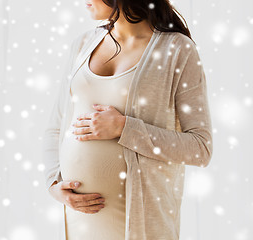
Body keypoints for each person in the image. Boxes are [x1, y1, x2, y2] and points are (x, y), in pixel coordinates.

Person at [42, 0, 213, 239]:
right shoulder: (82, 45)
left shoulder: (176, 49)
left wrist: (124, 128)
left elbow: (200, 148)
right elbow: (56, 126)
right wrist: (53, 183)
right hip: (80, 222)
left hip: (141, 225)